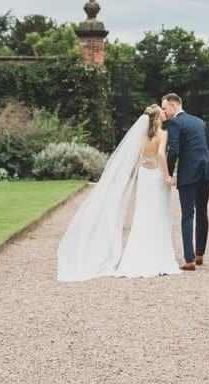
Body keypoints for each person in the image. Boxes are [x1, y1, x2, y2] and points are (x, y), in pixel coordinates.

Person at [56, 105, 181, 282]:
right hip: (156, 176)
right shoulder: (164, 134)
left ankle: (137, 255)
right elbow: (161, 154)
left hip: (144, 175)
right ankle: (159, 256)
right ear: (156, 118)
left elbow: (137, 157)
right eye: (161, 111)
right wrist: (167, 175)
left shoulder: (143, 136)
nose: (164, 112)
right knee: (159, 212)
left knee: (142, 213)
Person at [161, 92, 209, 271]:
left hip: (189, 173)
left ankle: (189, 260)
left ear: (174, 105)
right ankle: (200, 254)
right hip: (206, 170)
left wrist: (168, 172)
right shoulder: (199, 122)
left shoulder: (175, 123)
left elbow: (174, 150)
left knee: (187, 214)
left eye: (165, 108)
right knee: (202, 211)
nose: (164, 112)